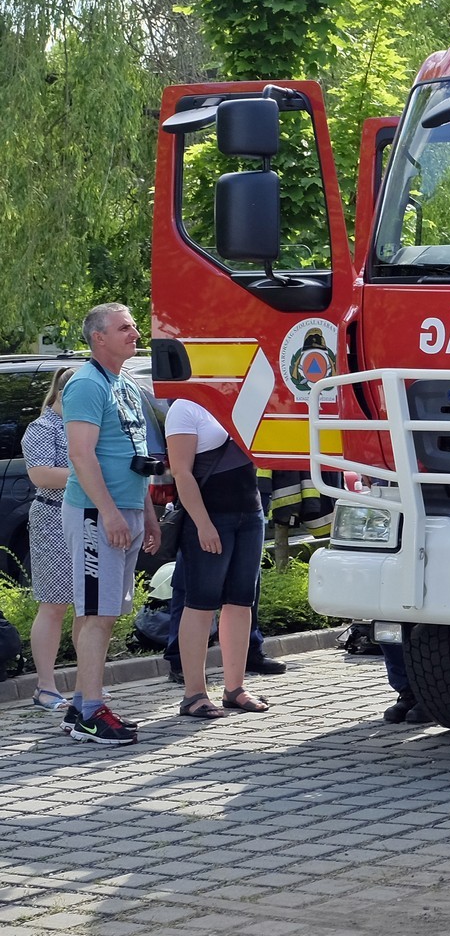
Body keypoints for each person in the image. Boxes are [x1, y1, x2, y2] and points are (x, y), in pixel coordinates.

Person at [60, 303, 160, 745]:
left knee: (102, 612)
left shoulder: (126, 383)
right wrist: (110, 512)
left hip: (127, 509)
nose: (135, 334)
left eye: (134, 326)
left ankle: (79, 706)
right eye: (124, 328)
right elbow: (81, 456)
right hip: (95, 513)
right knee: (98, 614)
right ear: (98, 338)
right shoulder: (86, 384)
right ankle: (91, 713)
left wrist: (147, 514)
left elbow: (136, 455)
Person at [163, 397, 270, 718]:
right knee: (201, 603)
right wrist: (203, 523)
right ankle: (194, 694)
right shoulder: (185, 407)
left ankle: (235, 689)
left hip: (250, 513)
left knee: (241, 600)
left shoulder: (237, 399)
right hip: (211, 518)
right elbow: (181, 473)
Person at [21, 367, 78, 713]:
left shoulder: (84, 425)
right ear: (61, 393)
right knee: (54, 603)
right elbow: (41, 475)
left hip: (87, 516)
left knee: (88, 605)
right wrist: (90, 472)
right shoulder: (42, 428)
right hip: (53, 518)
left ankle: (87, 684)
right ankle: (45, 686)